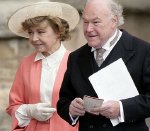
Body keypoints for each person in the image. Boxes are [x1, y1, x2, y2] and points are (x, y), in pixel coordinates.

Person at [57, 0, 150, 131]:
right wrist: (71, 109)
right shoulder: (75, 57)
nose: (88, 29)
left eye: (96, 22)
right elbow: (63, 101)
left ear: (114, 21)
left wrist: (121, 108)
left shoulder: (143, 51)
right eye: (85, 22)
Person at [6, 1, 79, 131]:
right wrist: (29, 110)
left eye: (41, 32)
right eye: (30, 32)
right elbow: (13, 106)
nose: (34, 38)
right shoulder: (26, 64)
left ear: (58, 31)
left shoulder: (77, 62)